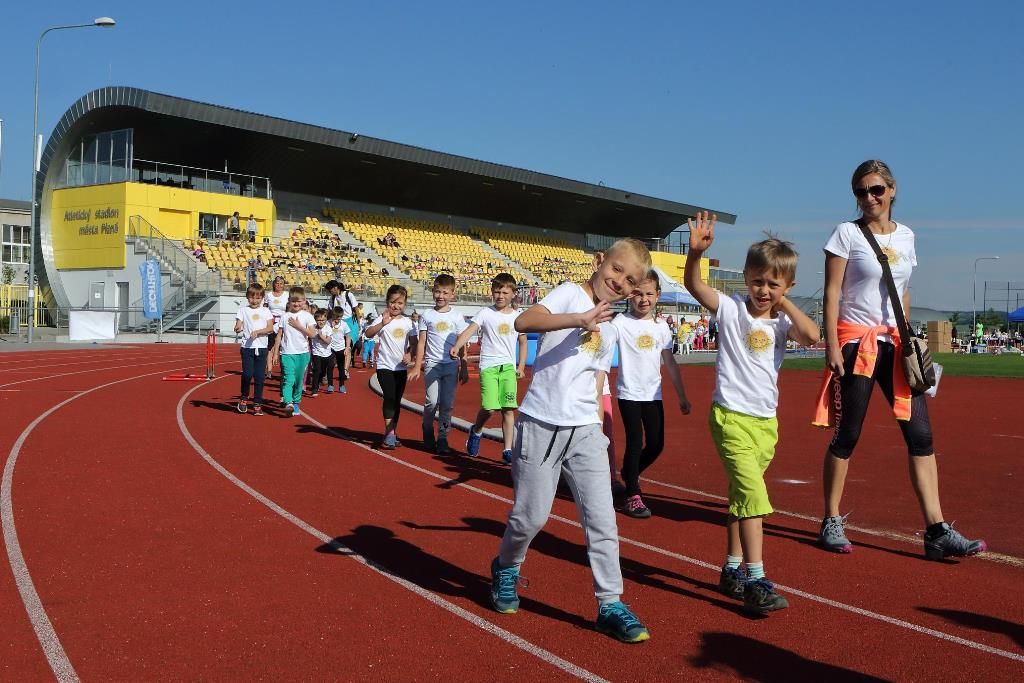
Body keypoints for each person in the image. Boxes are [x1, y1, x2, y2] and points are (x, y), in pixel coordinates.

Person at [813, 159, 986, 560]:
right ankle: (831, 519)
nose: (868, 198)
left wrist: (908, 337)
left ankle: (936, 529)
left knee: (921, 436)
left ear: (892, 190)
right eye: (861, 191)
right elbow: (832, 292)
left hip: (896, 345)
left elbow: (903, 291)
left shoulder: (907, 237)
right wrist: (831, 344)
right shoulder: (846, 234)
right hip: (857, 343)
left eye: (876, 189)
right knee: (847, 435)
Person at [488, 239, 652, 643]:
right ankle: (507, 566)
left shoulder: (611, 325)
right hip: (541, 424)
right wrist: (578, 318)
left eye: (629, 281)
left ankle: (610, 603)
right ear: (600, 262)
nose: (619, 282)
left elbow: (596, 382)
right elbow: (524, 323)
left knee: (602, 519)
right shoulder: (570, 294)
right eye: (616, 270)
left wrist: (599, 432)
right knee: (531, 518)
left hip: (584, 431)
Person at [685, 211, 820, 616]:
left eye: (773, 284)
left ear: (787, 287)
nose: (763, 290)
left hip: (765, 424)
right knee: (754, 498)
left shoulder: (781, 324)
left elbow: (813, 336)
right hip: (730, 417)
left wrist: (785, 302)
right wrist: (694, 255)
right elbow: (694, 285)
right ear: (745, 277)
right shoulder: (730, 310)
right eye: (757, 281)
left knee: (740, 499)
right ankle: (756, 579)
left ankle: (729, 569)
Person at [612, 271, 692, 518]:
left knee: (656, 444)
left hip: (653, 395)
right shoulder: (620, 323)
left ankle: (630, 473)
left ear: (657, 295)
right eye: (637, 293)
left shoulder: (661, 328)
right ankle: (633, 495)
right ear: (629, 294)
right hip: (629, 393)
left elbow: (670, 363)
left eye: (649, 294)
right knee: (635, 441)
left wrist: (681, 395)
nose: (643, 299)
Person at [450, 273, 527, 464]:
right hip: (489, 367)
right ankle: (476, 430)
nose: (500, 296)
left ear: (513, 294)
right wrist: (458, 345)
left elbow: (523, 342)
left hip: (508, 368)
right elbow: (469, 331)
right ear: (492, 293)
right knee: (490, 407)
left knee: (508, 409)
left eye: (504, 292)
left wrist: (521, 366)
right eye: (497, 292)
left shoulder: (518, 317)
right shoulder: (485, 313)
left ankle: (508, 449)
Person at [409, 275, 469, 454]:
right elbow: (421, 342)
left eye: (445, 292)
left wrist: (464, 367)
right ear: (432, 292)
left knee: (447, 403)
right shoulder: (427, 315)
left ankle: (443, 437)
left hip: (451, 365)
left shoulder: (457, 316)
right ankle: (427, 431)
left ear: (452, 294)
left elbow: (462, 343)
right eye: (437, 291)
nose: (440, 296)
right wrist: (416, 365)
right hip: (432, 364)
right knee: (431, 402)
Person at [365, 285, 416, 450]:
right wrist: (382, 324)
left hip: (400, 368)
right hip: (384, 366)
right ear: (387, 302)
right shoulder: (382, 318)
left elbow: (415, 344)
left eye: (400, 303)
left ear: (405, 304)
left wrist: (410, 354)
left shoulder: (409, 323)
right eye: (393, 302)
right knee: (390, 397)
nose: (396, 306)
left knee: (396, 402)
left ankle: (391, 432)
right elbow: (368, 333)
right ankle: (390, 434)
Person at [269, 286, 318, 416]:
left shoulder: (307, 316)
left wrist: (299, 326)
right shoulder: (285, 317)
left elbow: (312, 334)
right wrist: (275, 353)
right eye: (293, 301)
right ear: (289, 301)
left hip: (302, 354)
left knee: (298, 380)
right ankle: (288, 402)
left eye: (299, 301)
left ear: (304, 301)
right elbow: (279, 335)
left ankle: (296, 401)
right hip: (287, 353)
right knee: (288, 379)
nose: (296, 304)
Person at [234, 283, 275, 415]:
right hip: (247, 348)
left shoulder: (266, 311)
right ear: (247, 297)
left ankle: (257, 402)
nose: (254, 300)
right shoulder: (243, 310)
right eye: (252, 297)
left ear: (262, 298)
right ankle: (244, 397)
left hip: (262, 348)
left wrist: (258, 332)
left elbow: (270, 328)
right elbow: (238, 324)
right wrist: (238, 328)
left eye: (258, 298)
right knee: (247, 374)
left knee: (259, 377)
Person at [308, 309, 335, 399]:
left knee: (323, 371)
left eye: (323, 320)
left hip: (327, 354)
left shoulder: (328, 329)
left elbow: (328, 341)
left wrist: (320, 336)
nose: (321, 322)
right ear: (315, 320)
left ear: (326, 320)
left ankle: (321, 380)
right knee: (317, 370)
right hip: (316, 353)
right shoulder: (312, 328)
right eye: (319, 320)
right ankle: (314, 389)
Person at [327, 307, 351, 394]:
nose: (337, 320)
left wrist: (347, 348)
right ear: (332, 315)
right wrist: (331, 326)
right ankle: (330, 385)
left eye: (339, 318)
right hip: (330, 348)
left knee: (341, 368)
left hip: (341, 348)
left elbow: (348, 337)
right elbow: (325, 333)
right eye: (335, 318)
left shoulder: (344, 324)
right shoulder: (328, 323)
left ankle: (341, 385)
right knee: (330, 366)